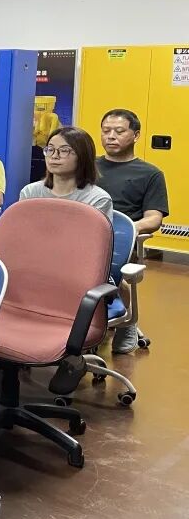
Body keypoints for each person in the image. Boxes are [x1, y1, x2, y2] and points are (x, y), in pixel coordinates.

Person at [95, 109, 168, 353]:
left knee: (110, 272)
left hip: (121, 241)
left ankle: (127, 323)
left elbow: (154, 218)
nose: (111, 136)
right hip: (84, 235)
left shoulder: (150, 173)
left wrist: (127, 229)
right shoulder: (88, 166)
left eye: (119, 131)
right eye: (106, 131)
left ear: (135, 135)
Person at [19, 126, 113, 222]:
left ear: (83, 156)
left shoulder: (97, 199)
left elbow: (94, 232)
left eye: (64, 150)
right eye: (50, 149)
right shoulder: (30, 192)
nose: (54, 156)